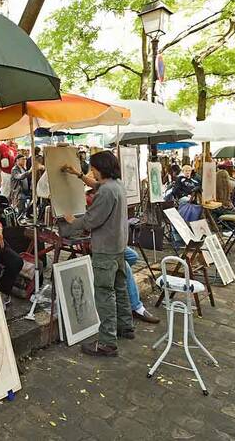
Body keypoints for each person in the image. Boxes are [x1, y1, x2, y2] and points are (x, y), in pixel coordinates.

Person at [62, 151, 132, 358]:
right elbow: (99, 186)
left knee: (104, 293)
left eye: (93, 168)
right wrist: (78, 174)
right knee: (120, 288)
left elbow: (92, 220)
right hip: (118, 246)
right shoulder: (116, 185)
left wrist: (72, 221)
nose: (92, 171)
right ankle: (125, 327)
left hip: (106, 250)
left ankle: (108, 343)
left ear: (101, 168)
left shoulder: (107, 192)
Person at [124, 247, 160, 324]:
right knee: (125, 267)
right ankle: (136, 308)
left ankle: (119, 276)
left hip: (113, 243)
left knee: (133, 256)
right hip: (100, 245)